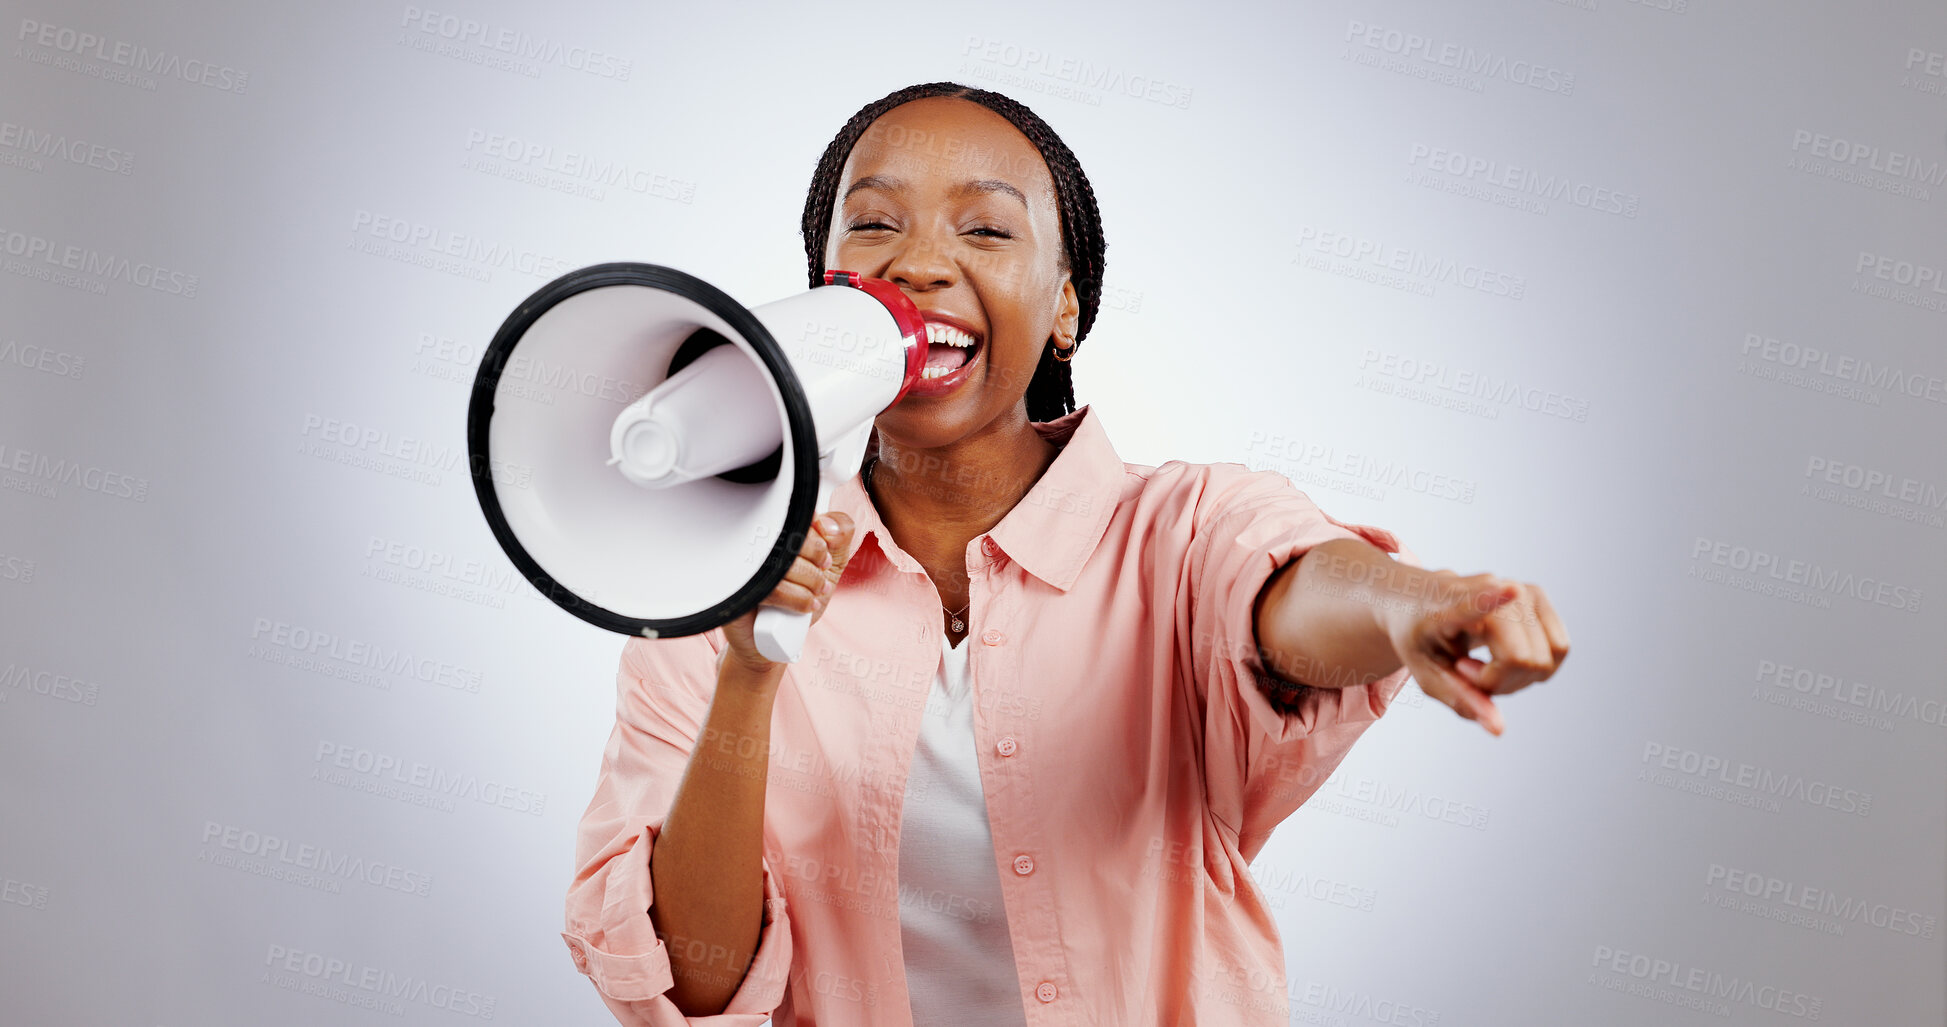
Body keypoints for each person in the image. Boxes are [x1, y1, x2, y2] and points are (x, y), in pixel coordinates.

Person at [562, 82, 1569, 1026]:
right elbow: (689, 984)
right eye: (873, 223)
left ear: (1066, 308)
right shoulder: (710, 584)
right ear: (824, 291)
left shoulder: (1180, 530)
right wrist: (750, 669)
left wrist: (1408, 606)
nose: (916, 264)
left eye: (986, 228)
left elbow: (1290, 591)